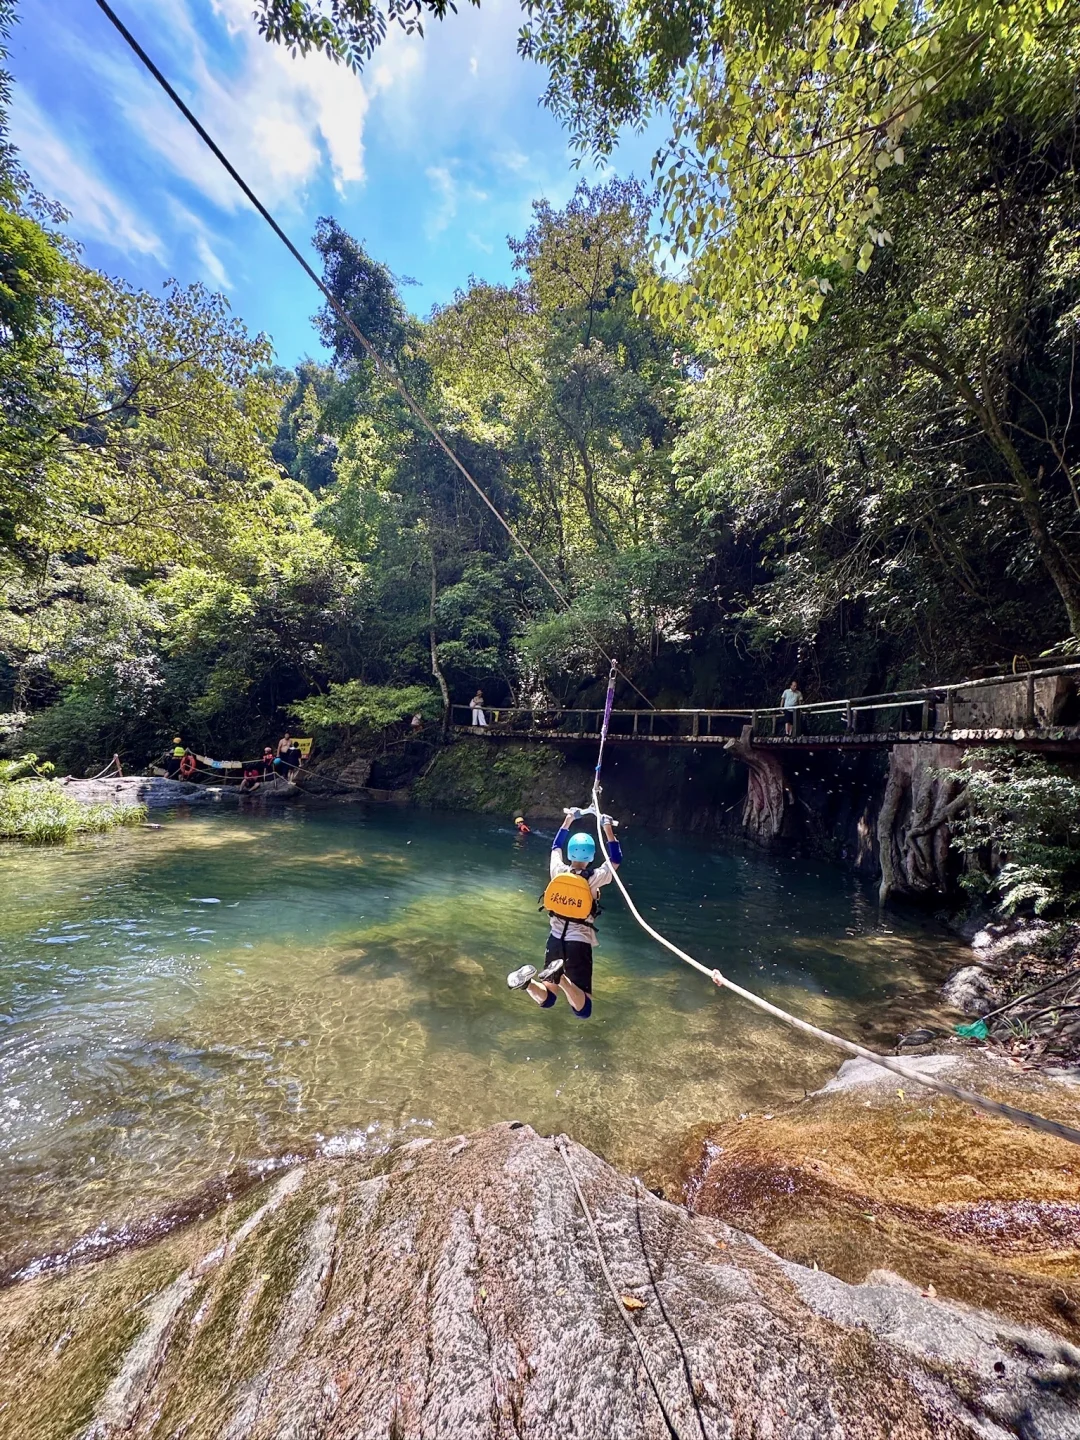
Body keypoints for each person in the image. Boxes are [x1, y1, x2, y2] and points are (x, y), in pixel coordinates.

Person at [507, 808, 622, 1020]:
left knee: (548, 999)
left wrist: (569, 819)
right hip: (578, 942)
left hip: (555, 940)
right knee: (583, 1010)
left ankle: (527, 983)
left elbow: (555, 846)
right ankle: (562, 979)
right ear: (591, 855)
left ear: (570, 853)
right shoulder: (594, 878)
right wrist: (607, 828)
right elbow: (615, 859)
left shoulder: (557, 870)